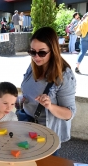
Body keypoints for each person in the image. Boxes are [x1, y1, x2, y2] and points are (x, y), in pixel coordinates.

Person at [22, 27, 76, 155]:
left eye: (42, 52)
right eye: (32, 52)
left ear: (53, 50)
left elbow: (69, 113)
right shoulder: (34, 65)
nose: (36, 57)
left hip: (46, 133)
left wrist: (50, 106)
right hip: (26, 124)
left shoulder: (64, 75)